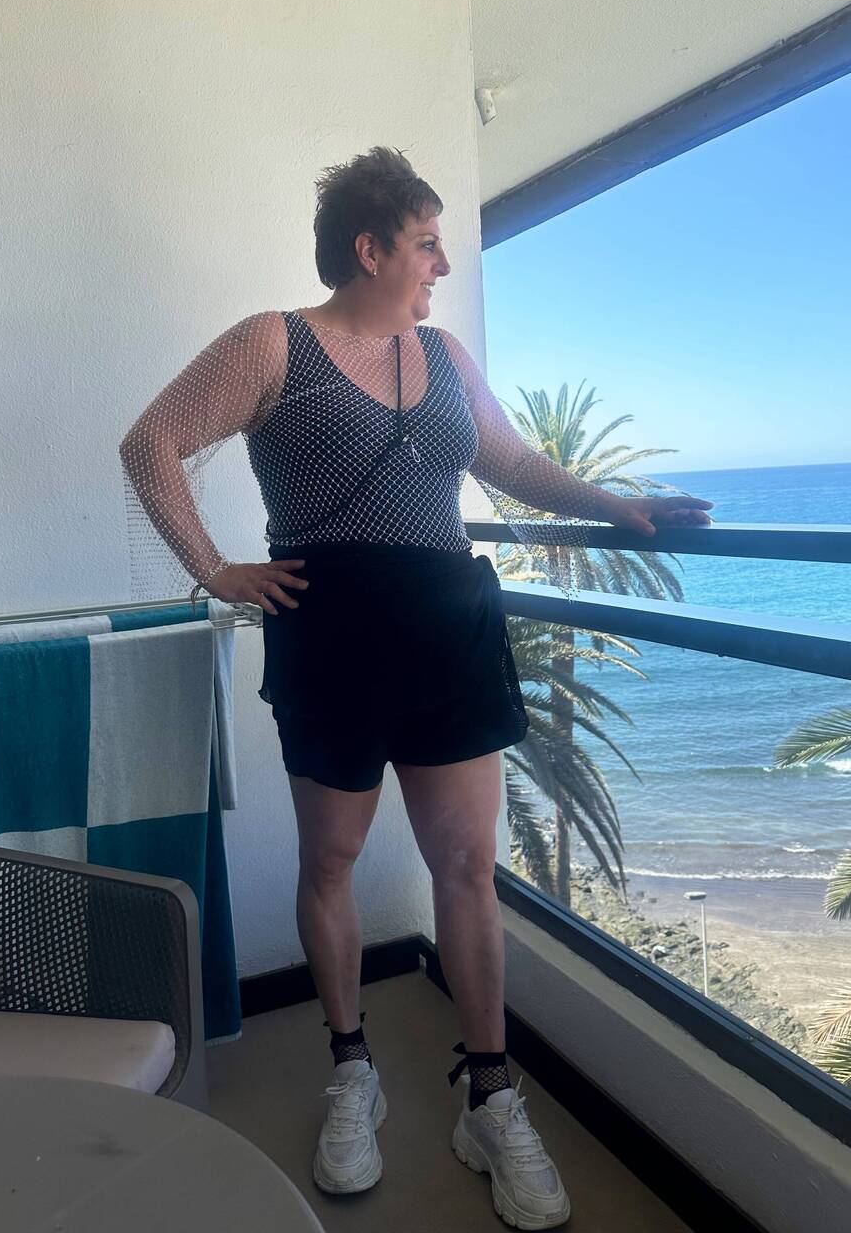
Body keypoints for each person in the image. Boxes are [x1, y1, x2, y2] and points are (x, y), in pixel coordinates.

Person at [120, 145, 713, 1228]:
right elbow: (151, 442)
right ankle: (352, 1071)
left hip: (448, 631)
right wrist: (215, 570)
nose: (442, 264)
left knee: (467, 868)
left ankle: (490, 1098)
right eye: (428, 244)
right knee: (331, 862)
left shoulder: (442, 354)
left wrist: (615, 507)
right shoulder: (274, 343)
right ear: (371, 247)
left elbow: (510, 463)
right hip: (331, 639)